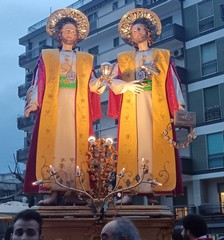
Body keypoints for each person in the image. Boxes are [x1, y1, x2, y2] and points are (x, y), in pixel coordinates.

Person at [23, 8, 102, 205]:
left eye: (72, 31)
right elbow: (38, 80)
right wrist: (33, 103)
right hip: (55, 108)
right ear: (59, 34)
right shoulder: (49, 57)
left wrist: (103, 81)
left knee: (77, 149)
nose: (69, 34)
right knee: (54, 147)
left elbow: (92, 83)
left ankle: (76, 191)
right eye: (66, 30)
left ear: (77, 36)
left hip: (78, 109)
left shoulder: (85, 60)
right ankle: (53, 192)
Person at [106, 8, 185, 202]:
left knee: (153, 144)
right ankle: (127, 191)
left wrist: (179, 107)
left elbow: (173, 82)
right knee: (130, 146)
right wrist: (126, 86)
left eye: (140, 29)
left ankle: (152, 191)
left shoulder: (162, 56)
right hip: (132, 107)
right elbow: (111, 80)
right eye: (133, 31)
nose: (136, 33)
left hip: (155, 107)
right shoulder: (124, 59)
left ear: (148, 32)